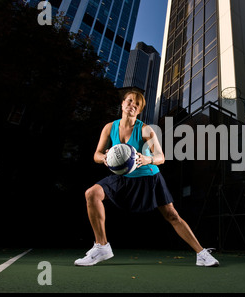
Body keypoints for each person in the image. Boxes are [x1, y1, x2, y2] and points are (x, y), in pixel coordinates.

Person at [74, 91, 219, 267]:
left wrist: (147, 159)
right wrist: (104, 158)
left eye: (137, 104)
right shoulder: (109, 128)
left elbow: (161, 157)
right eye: (129, 101)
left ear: (139, 110)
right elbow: (96, 154)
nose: (132, 105)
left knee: (172, 215)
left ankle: (202, 254)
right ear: (122, 104)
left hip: (148, 177)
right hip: (122, 178)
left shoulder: (145, 129)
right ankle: (101, 246)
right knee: (92, 194)